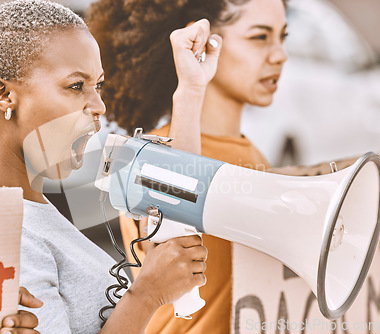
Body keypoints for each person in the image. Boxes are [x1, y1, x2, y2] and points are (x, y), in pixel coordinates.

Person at [0, 1, 213, 333]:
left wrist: (190, 91)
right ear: (4, 95)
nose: (99, 106)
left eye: (98, 86)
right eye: (77, 86)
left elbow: (181, 193)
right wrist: (146, 295)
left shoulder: (30, 212)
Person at [87, 0, 288, 332]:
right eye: (259, 37)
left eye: (283, 35)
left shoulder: (250, 151)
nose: (280, 54)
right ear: (206, 43)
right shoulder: (145, 157)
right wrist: (191, 89)